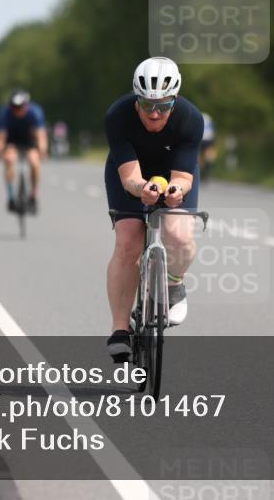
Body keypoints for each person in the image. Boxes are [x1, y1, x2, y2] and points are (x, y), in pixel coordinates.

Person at [103, 57, 204, 362]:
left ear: (175, 100)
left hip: (175, 173)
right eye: (147, 104)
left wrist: (176, 191)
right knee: (128, 241)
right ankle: (120, 329)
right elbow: (130, 178)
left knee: (179, 235)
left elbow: (183, 178)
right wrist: (142, 189)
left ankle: (174, 284)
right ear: (137, 99)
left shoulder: (190, 118)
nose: (155, 113)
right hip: (131, 174)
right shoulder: (118, 115)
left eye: (164, 105)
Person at [0, 90, 47, 213]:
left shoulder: (35, 112)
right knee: (9, 160)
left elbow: (41, 135)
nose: (17, 110)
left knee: (34, 162)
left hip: (29, 140)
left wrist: (42, 150)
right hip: (12, 140)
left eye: (20, 107)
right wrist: (0, 151)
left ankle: (33, 195)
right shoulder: (5, 113)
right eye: (14, 107)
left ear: (26, 105)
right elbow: (1, 137)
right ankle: (11, 197)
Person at [199, 112, 217, 180]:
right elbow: (213, 130)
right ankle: (208, 166)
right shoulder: (209, 118)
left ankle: (201, 169)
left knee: (200, 156)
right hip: (209, 139)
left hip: (201, 139)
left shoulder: (198, 116)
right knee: (208, 154)